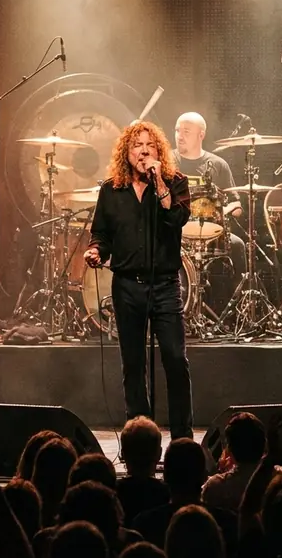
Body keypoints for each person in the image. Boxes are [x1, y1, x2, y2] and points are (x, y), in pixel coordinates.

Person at [84, 121, 194, 440]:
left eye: (150, 145)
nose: (143, 150)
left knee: (175, 358)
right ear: (126, 152)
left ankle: (182, 438)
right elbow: (101, 234)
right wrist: (95, 251)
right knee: (133, 364)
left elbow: (176, 219)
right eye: (136, 145)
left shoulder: (175, 182)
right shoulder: (111, 190)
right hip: (127, 286)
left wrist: (158, 180)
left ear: (159, 151)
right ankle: (140, 438)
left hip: (164, 285)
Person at [173, 112, 246, 276]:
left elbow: (237, 206)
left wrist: (222, 212)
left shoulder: (219, 165)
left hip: (209, 235)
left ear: (201, 135)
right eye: (177, 130)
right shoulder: (166, 161)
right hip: (174, 232)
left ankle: (236, 299)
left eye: (186, 131)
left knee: (238, 245)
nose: (180, 136)